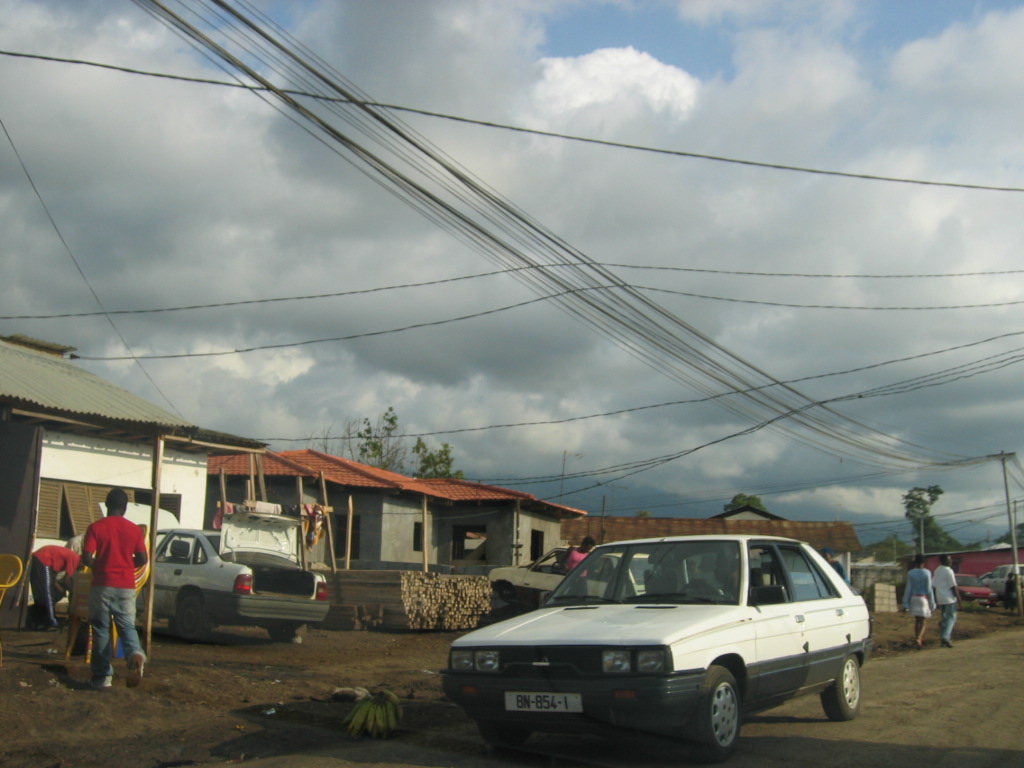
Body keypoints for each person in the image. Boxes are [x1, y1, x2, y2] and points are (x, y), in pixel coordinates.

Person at [82, 488, 149, 690]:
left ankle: (103, 677)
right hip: (126, 586)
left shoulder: (96, 528)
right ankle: (135, 654)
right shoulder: (134, 530)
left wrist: (99, 565)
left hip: (102, 585)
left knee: (101, 629)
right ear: (125, 507)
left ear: (107, 505)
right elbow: (143, 559)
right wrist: (127, 565)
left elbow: (86, 557)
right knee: (127, 626)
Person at [28, 544, 81, 629]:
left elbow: (53, 580)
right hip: (44, 559)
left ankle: (36, 617)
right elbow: (66, 580)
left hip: (41, 558)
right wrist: (73, 591)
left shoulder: (67, 559)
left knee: (45, 594)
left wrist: (61, 590)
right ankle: (51, 622)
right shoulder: (76, 559)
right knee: (46, 594)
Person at [901, 553, 935, 649]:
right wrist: (932, 603)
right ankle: (919, 637)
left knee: (917, 620)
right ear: (924, 562)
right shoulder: (927, 573)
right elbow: (929, 589)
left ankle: (917, 637)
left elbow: (908, 589)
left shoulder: (911, 573)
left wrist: (905, 603)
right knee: (923, 620)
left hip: (914, 598)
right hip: (923, 598)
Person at [932, 554, 962, 648]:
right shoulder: (949, 571)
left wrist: (935, 599)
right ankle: (945, 636)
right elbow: (954, 587)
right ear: (945, 561)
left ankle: (945, 640)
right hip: (949, 598)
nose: (951, 561)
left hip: (940, 598)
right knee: (951, 618)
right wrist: (960, 601)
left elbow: (934, 585)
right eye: (949, 560)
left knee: (945, 620)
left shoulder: (937, 570)